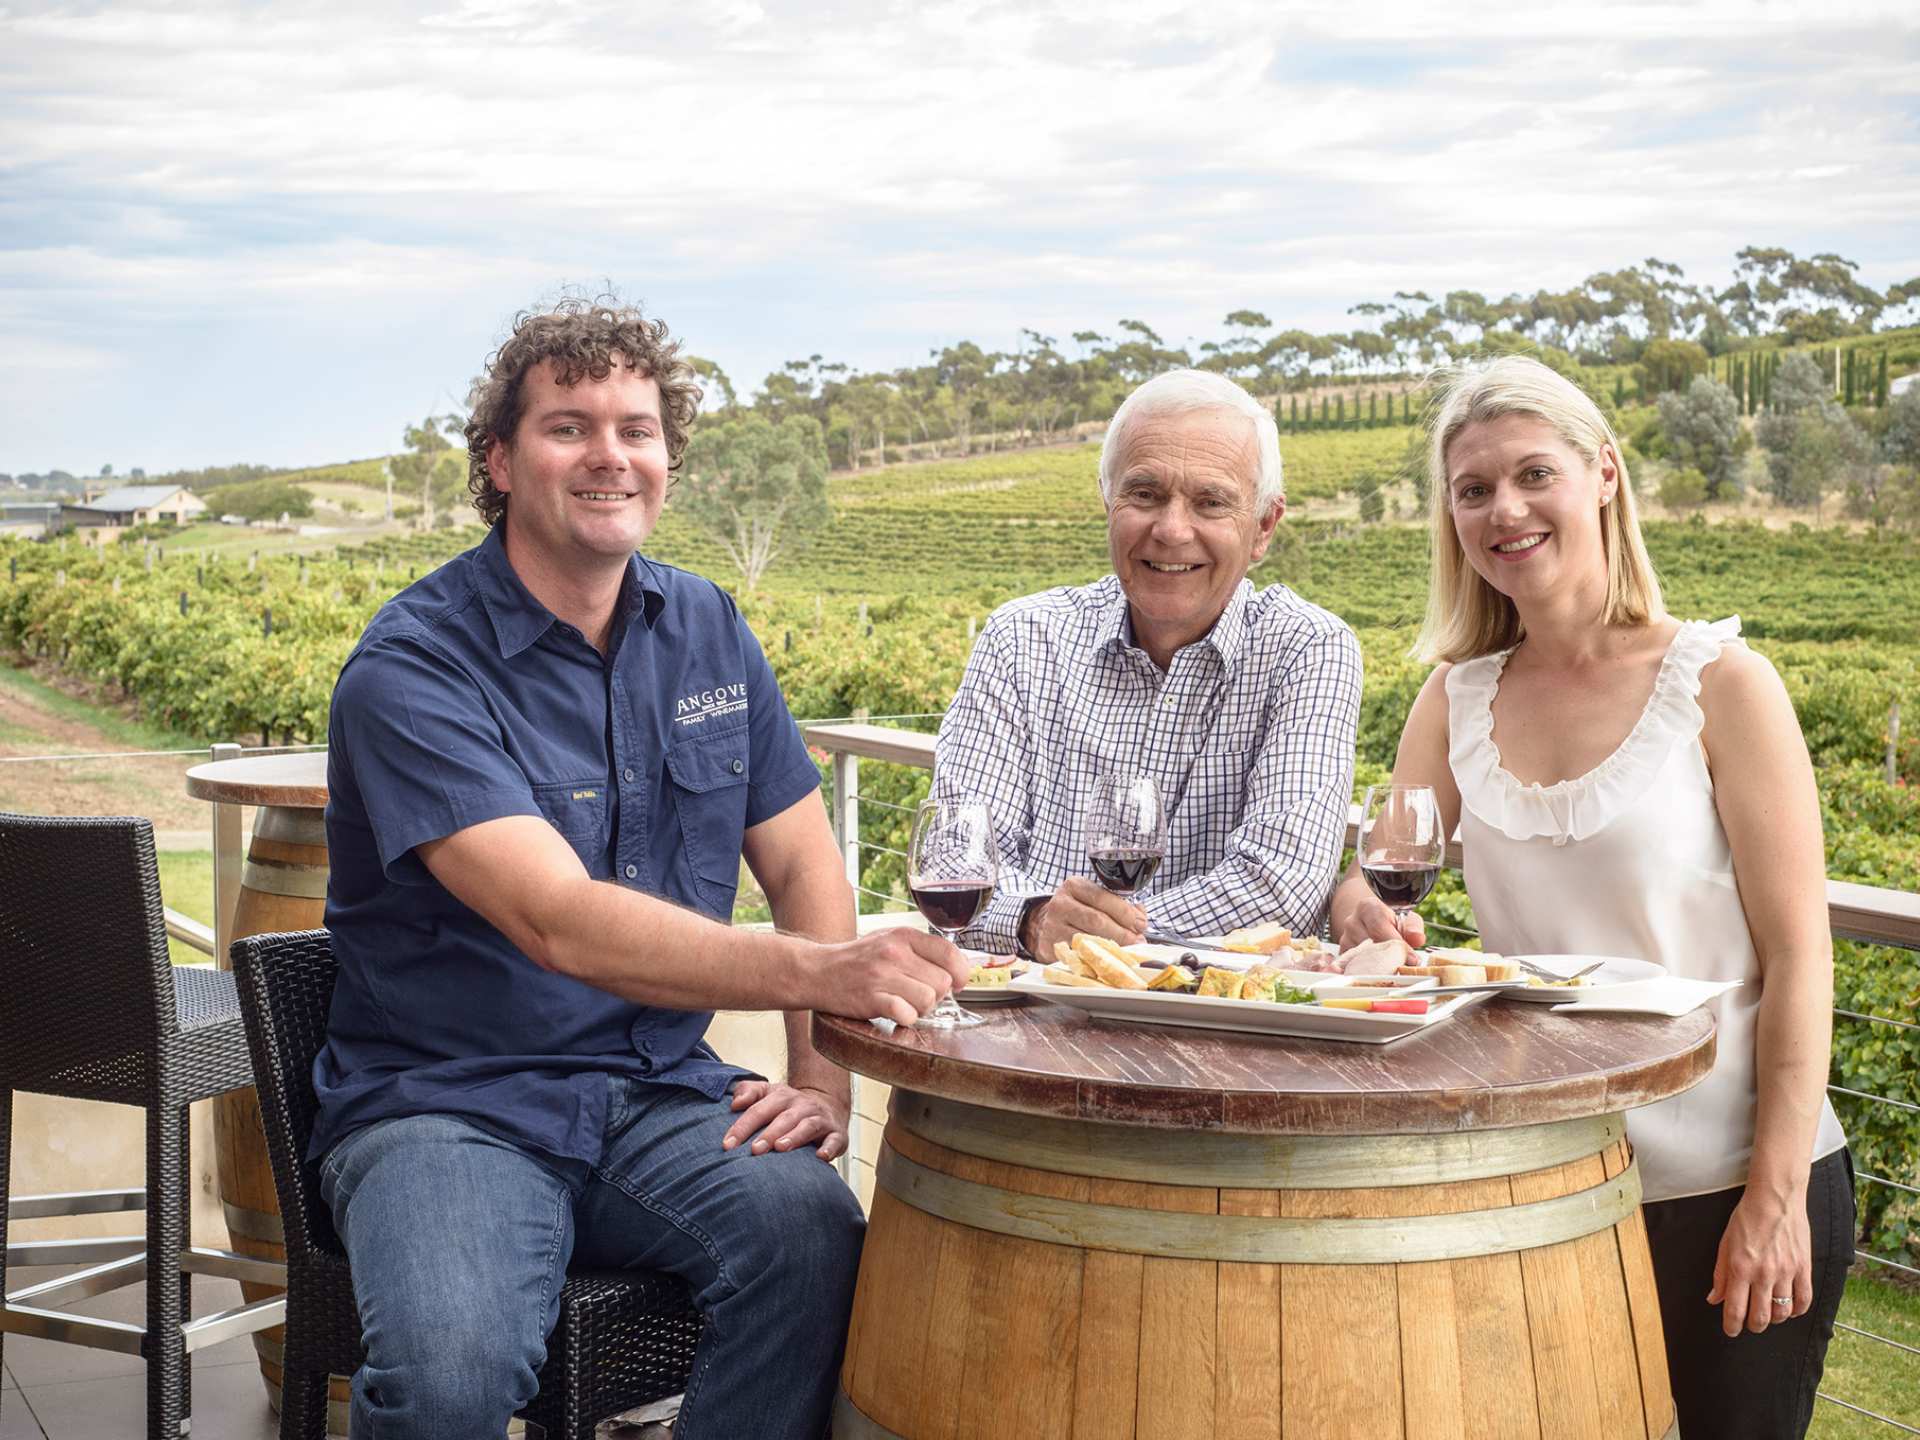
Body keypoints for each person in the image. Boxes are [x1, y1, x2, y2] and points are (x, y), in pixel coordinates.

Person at [312, 298, 969, 1440]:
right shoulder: (413, 666)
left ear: (668, 459)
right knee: (453, 1371)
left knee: (816, 1238)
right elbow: (559, 920)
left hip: (659, 1091)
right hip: (452, 1103)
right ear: (500, 461)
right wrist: (822, 972)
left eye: (638, 428)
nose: (610, 455)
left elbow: (805, 857)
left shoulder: (706, 626)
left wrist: (822, 1085)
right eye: (569, 427)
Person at [1330, 355, 1851, 1439]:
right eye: (1473, 490)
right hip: (1548, 1180)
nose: (1504, 509)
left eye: (1533, 474)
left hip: (1726, 1184)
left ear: (1604, 474)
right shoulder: (1455, 696)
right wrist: (1364, 914)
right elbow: (1385, 884)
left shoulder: (1721, 685)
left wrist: (1777, 1197)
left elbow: (1802, 958)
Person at [935, 369, 1362, 959]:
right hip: (1032, 1025)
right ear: (1107, 502)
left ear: (1263, 528)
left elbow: (1280, 887)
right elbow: (958, 861)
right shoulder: (1022, 638)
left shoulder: (1307, 649)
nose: (1171, 529)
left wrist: (1087, 940)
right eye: (1145, 494)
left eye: (1211, 502)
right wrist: (1034, 920)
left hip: (1224, 1035)